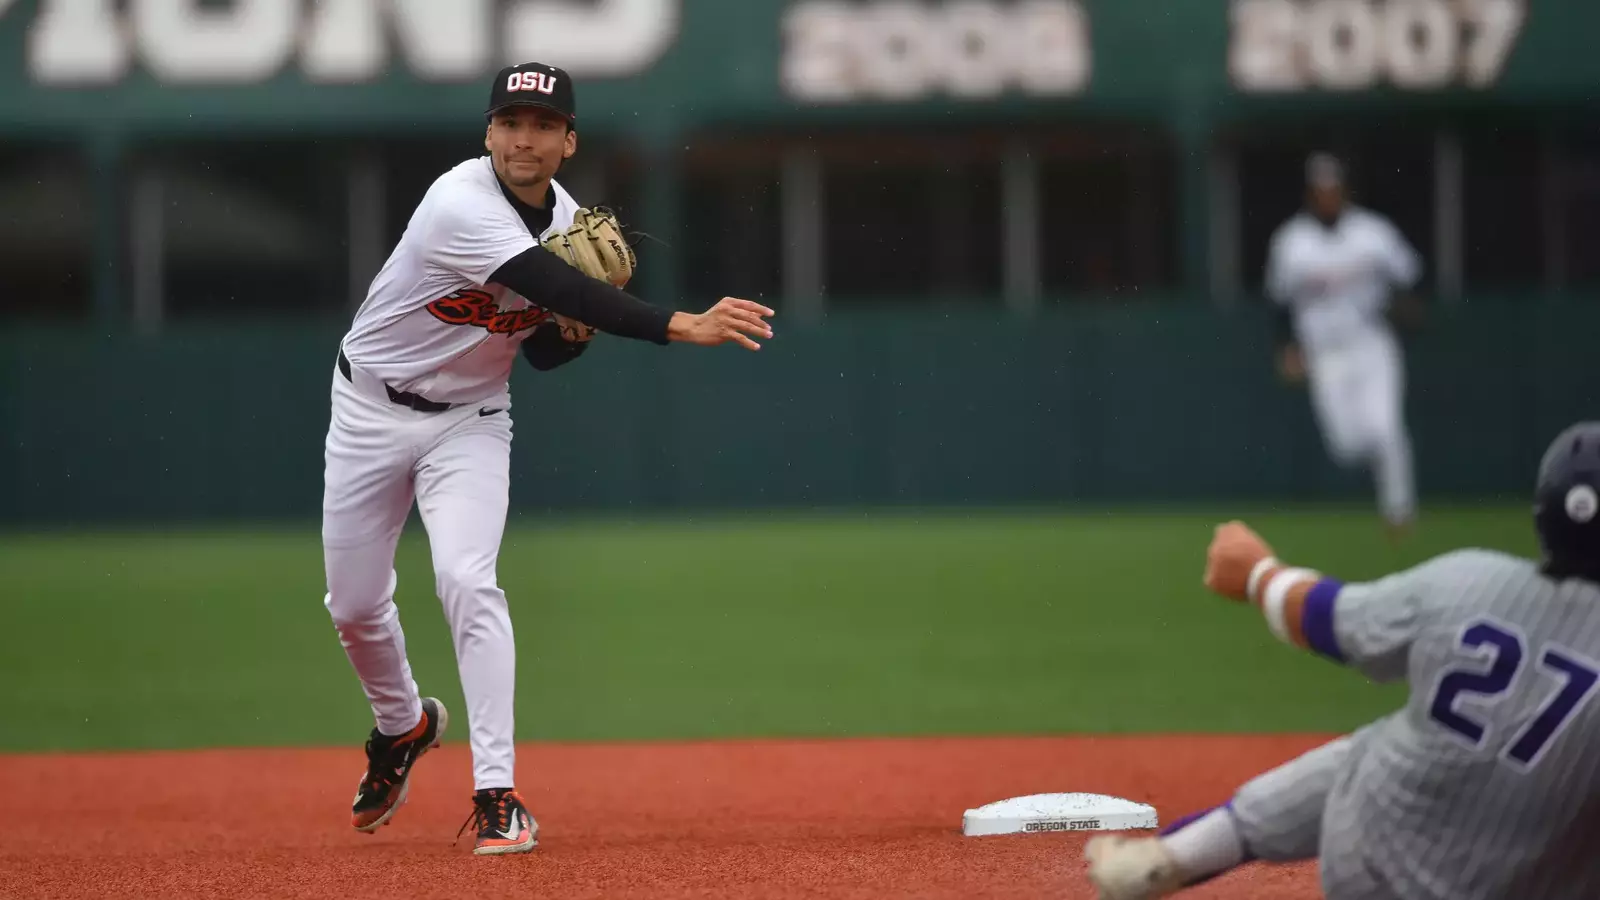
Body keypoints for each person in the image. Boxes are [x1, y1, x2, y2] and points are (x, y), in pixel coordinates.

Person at [320, 60, 774, 856]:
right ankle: (404, 726)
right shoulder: (457, 202)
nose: (522, 139)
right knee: (354, 607)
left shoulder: (564, 223)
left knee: (467, 578)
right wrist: (673, 323)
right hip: (368, 410)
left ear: (568, 141)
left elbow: (542, 354)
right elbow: (561, 289)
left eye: (540, 126)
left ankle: (497, 791)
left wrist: (574, 332)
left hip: (471, 421)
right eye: (509, 123)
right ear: (489, 132)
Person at [1085, 421, 1600, 899]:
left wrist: (1258, 574)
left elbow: (1326, 620)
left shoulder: (1470, 581)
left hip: (1367, 871)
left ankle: (1164, 860)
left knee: (1372, 754)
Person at [1265, 153, 1425, 540]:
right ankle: (1388, 483)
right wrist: (1287, 347)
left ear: (1344, 190)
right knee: (1346, 445)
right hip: (1325, 353)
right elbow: (1279, 301)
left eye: (1333, 190)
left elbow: (1410, 277)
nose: (1328, 197)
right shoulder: (1291, 242)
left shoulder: (1373, 233)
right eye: (1321, 191)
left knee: (1388, 430)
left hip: (1371, 344)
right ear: (1310, 194)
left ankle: (1399, 513)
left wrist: (1405, 306)